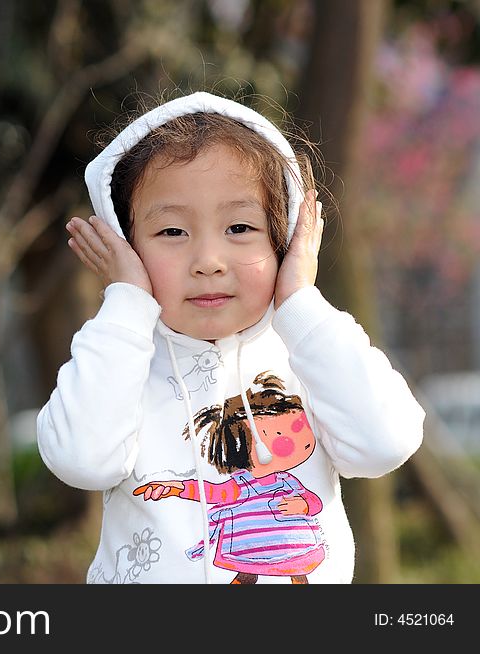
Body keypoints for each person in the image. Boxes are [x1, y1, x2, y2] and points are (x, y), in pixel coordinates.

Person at [36, 90, 425, 584]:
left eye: (240, 227)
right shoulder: (120, 361)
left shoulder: (311, 354)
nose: (208, 260)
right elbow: (80, 459)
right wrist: (127, 302)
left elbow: (385, 443)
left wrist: (300, 303)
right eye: (172, 232)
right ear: (123, 243)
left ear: (285, 237)